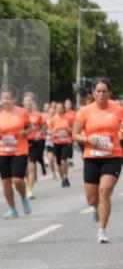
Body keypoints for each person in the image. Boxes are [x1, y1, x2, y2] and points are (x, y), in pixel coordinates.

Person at [73, 78, 122, 243]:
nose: (101, 94)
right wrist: (88, 139)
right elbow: (75, 135)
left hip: (113, 156)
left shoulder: (117, 109)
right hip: (92, 157)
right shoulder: (85, 111)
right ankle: (95, 207)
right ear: (94, 93)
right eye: (98, 91)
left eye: (104, 91)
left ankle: (102, 231)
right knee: (92, 198)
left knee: (105, 191)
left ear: (109, 93)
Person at [0, 89, 32, 217]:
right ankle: (12, 209)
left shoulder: (22, 112)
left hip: (19, 150)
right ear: (0, 101)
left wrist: (26, 132)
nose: (6, 101)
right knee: (6, 182)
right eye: (3, 98)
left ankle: (24, 198)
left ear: (13, 100)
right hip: (2, 151)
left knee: (17, 180)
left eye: (8, 98)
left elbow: (30, 127)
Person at [24, 92, 46, 198]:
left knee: (32, 167)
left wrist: (40, 133)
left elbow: (43, 126)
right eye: (26, 101)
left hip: (34, 142)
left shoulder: (37, 115)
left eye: (30, 101)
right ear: (23, 103)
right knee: (24, 169)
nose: (28, 103)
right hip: (22, 143)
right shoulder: (20, 115)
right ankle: (26, 181)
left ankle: (30, 190)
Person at [48, 102, 73, 187]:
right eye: (58, 108)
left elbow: (73, 129)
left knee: (63, 161)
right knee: (58, 163)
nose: (60, 109)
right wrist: (54, 133)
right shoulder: (53, 119)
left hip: (66, 142)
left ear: (63, 109)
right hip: (57, 142)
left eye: (61, 108)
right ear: (56, 109)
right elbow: (49, 131)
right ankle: (63, 179)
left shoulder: (67, 118)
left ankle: (66, 177)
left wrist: (69, 130)